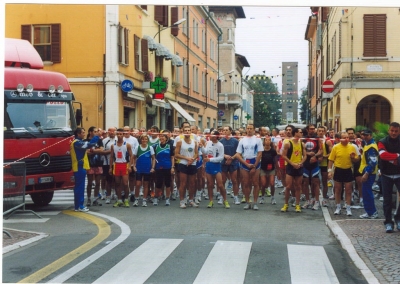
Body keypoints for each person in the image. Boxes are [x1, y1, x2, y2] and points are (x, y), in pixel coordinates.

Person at [328, 131, 360, 216]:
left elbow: (356, 160)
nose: (346, 139)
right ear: (340, 139)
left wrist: (353, 158)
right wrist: (329, 171)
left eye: (348, 138)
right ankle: (338, 207)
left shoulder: (352, 147)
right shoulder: (336, 147)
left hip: (348, 170)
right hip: (338, 169)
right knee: (338, 190)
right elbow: (331, 160)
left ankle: (348, 207)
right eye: (344, 137)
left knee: (348, 190)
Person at [234, 123, 263, 210]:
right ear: (246, 129)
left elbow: (260, 153)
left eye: (251, 128)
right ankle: (247, 201)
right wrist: (246, 164)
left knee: (255, 183)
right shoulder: (242, 140)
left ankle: (255, 202)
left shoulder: (258, 140)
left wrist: (254, 166)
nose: (249, 130)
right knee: (246, 183)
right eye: (248, 128)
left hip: (255, 161)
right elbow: (238, 154)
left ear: (254, 130)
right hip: (245, 162)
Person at [70, 127, 100, 212]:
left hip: (79, 166)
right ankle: (80, 206)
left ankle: (77, 206)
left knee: (79, 187)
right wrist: (97, 136)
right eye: (83, 132)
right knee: (80, 187)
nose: (84, 134)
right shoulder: (77, 143)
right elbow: (89, 145)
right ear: (78, 134)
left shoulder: (77, 142)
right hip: (79, 167)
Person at [377, 122, 400, 233]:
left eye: (396, 131)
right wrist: (397, 156)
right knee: (387, 200)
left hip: (399, 174)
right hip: (386, 174)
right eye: (392, 130)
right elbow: (383, 155)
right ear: (389, 130)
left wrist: (390, 158)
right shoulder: (382, 141)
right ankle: (388, 223)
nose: (394, 133)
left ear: (399, 131)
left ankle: (398, 219)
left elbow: (386, 156)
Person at [281, 126, 307, 213]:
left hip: (299, 166)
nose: (301, 133)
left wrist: (300, 163)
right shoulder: (288, 143)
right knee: (288, 186)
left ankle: (297, 205)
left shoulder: (302, 143)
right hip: (290, 166)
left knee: (298, 187)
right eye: (300, 132)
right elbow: (283, 155)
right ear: (295, 133)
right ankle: (286, 204)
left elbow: (305, 156)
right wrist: (292, 163)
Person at [202, 130, 230, 209]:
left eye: (212, 135)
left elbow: (221, 158)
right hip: (209, 165)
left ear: (216, 137)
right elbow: (206, 152)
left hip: (216, 165)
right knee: (210, 185)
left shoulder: (220, 145)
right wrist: (201, 147)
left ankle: (225, 200)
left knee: (220, 184)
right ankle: (211, 201)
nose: (210, 136)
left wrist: (210, 160)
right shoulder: (208, 143)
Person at [175, 125, 199, 208]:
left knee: (192, 184)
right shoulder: (179, 142)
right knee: (183, 183)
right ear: (183, 132)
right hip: (183, 164)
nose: (187, 132)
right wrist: (186, 158)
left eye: (189, 130)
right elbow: (176, 154)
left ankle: (191, 200)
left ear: (191, 132)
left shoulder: (194, 142)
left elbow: (196, 153)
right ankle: (182, 201)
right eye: (186, 130)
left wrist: (192, 159)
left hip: (192, 164)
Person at [109, 128, 133, 208]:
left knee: (125, 183)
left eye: (121, 134)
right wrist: (110, 167)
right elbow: (111, 157)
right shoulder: (113, 145)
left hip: (124, 165)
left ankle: (126, 199)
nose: (119, 136)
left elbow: (131, 156)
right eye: (118, 134)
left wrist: (130, 166)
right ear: (116, 135)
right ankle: (119, 200)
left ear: (123, 135)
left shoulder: (127, 144)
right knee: (117, 183)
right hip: (116, 165)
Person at [301, 124, 323, 210]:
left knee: (315, 182)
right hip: (305, 163)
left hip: (314, 163)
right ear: (307, 130)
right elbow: (300, 150)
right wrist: (307, 153)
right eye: (310, 129)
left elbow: (321, 150)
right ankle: (308, 200)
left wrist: (315, 156)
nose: (312, 130)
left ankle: (317, 201)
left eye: (314, 129)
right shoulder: (303, 138)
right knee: (305, 183)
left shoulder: (317, 138)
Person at [359, 129, 379, 219]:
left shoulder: (371, 147)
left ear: (370, 135)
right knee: (366, 192)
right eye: (363, 135)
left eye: (366, 135)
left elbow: (373, 162)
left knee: (367, 192)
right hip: (367, 171)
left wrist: (366, 173)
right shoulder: (367, 144)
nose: (364, 137)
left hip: (369, 172)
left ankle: (372, 212)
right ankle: (369, 211)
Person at [132, 134, 155, 207]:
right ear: (140, 140)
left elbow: (153, 158)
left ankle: (144, 200)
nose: (144, 140)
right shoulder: (137, 147)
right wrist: (133, 166)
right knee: (138, 184)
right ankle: (136, 199)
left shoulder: (150, 148)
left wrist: (153, 167)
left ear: (147, 140)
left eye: (145, 139)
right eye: (142, 139)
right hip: (139, 168)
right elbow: (133, 157)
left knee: (146, 185)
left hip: (147, 169)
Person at [153, 130, 175, 206]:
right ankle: (156, 197)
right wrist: (153, 167)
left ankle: (167, 198)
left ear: (166, 138)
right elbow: (153, 157)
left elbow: (172, 157)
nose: (162, 138)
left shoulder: (169, 146)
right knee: (158, 183)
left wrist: (172, 167)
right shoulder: (156, 146)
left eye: (163, 136)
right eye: (161, 136)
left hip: (167, 167)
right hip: (159, 167)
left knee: (167, 183)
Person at [220, 126, 240, 205]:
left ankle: (235, 197)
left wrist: (232, 158)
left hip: (233, 162)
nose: (225, 132)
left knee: (234, 180)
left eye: (226, 130)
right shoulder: (221, 141)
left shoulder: (235, 141)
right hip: (223, 163)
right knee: (223, 181)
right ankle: (222, 197)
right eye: (224, 130)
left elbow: (238, 152)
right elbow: (219, 152)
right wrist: (225, 156)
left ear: (230, 131)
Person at [85, 126, 104, 207]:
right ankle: (89, 198)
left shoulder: (99, 140)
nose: (97, 133)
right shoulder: (86, 141)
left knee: (97, 182)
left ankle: (95, 198)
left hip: (98, 163)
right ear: (90, 132)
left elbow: (101, 150)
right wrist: (96, 150)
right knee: (89, 182)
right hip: (89, 164)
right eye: (95, 131)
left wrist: (92, 150)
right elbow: (86, 152)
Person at [260, 136, 278, 205]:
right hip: (263, 168)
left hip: (272, 169)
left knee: (272, 183)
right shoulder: (261, 150)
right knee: (263, 184)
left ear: (270, 142)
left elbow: (276, 160)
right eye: (266, 140)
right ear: (264, 141)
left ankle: (272, 197)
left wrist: (277, 169)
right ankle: (262, 197)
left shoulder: (273, 150)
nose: (267, 141)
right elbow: (259, 159)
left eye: (269, 140)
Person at [317, 125, 333, 207]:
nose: (320, 132)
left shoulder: (328, 141)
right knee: (315, 182)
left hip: (324, 164)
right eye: (319, 131)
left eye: (322, 131)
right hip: (315, 163)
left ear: (325, 132)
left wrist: (323, 156)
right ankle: (315, 199)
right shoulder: (314, 140)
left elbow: (332, 153)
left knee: (324, 182)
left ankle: (324, 199)